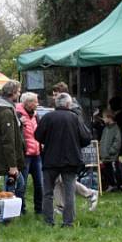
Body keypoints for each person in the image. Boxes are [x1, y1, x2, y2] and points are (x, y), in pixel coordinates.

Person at [35, 92, 92, 227]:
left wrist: (48, 141)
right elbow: (86, 138)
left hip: (50, 159)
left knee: (48, 192)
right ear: (68, 104)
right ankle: (68, 222)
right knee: (69, 192)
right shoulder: (75, 118)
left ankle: (48, 221)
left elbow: (37, 136)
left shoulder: (47, 117)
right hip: (70, 160)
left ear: (56, 104)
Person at [0, 80, 25, 194]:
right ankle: (4, 211)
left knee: (15, 186)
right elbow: (8, 140)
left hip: (5, 158)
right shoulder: (6, 113)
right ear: (12, 92)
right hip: (7, 160)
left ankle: (7, 210)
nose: (19, 94)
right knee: (13, 188)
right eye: (18, 91)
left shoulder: (6, 109)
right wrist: (12, 165)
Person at [16, 92, 42, 214]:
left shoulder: (36, 115)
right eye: (35, 102)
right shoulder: (18, 114)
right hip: (24, 155)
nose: (37, 104)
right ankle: (21, 209)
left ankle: (39, 209)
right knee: (22, 184)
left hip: (37, 154)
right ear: (28, 103)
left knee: (40, 184)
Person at [100, 109, 122, 192]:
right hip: (105, 155)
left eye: (104, 117)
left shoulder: (116, 128)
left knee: (116, 170)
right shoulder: (105, 129)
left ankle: (120, 184)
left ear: (109, 118)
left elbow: (117, 142)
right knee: (108, 170)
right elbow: (103, 140)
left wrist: (111, 151)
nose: (103, 119)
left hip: (112, 155)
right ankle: (111, 184)